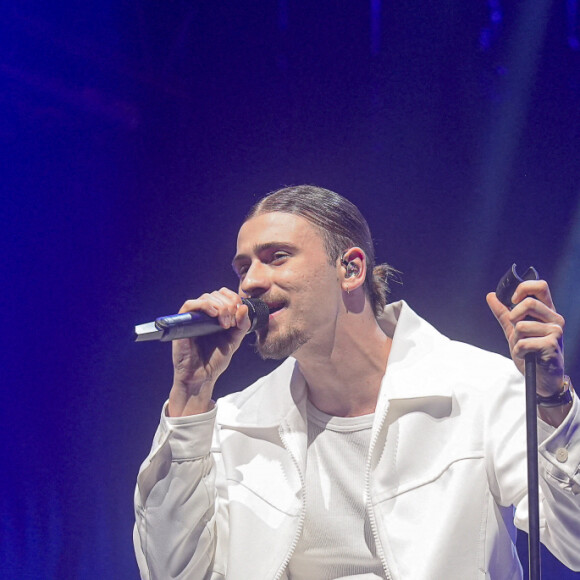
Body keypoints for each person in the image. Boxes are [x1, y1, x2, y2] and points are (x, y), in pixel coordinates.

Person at [134, 185, 580, 580]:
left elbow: (576, 544)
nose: (250, 283)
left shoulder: (478, 388)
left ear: (350, 269)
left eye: (277, 257)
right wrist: (190, 394)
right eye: (243, 268)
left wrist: (552, 400)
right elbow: (168, 572)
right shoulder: (235, 423)